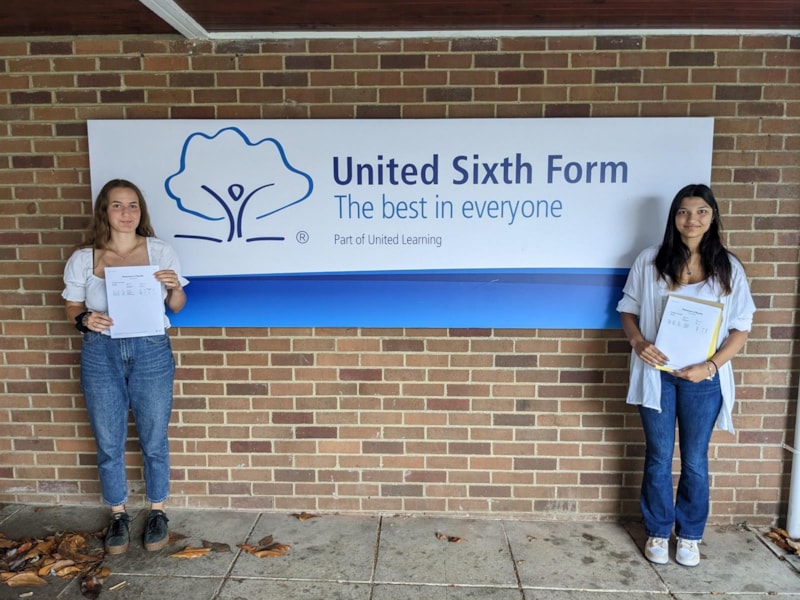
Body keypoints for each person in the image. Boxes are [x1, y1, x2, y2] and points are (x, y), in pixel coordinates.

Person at [617, 184, 755, 568]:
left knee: (695, 459)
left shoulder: (729, 267)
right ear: (673, 218)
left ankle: (690, 536)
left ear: (712, 217)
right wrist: (638, 341)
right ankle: (659, 532)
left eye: (700, 211)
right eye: (683, 211)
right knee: (659, 457)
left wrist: (709, 367)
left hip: (703, 380)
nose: (691, 219)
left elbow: (741, 329)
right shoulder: (650, 260)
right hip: (657, 374)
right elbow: (627, 309)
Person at [62, 179, 188, 555]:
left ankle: (157, 510)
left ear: (141, 212)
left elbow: (177, 306)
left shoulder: (160, 252)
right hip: (101, 352)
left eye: (133, 205)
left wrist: (173, 288)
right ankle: (117, 512)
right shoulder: (84, 259)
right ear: (105, 211)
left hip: (150, 349)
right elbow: (72, 306)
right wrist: (85, 319)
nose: (126, 213)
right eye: (117, 206)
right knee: (108, 437)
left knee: (153, 436)